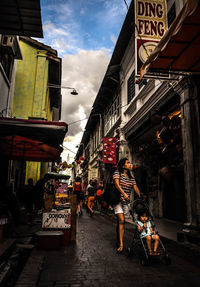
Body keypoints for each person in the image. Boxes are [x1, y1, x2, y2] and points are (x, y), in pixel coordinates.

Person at [113, 157, 141, 253]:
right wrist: (124, 193)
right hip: (117, 200)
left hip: (126, 201)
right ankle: (121, 244)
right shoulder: (117, 173)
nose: (130, 164)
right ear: (123, 165)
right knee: (121, 220)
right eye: (128, 163)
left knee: (121, 222)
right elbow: (117, 185)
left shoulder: (131, 176)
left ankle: (118, 238)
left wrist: (140, 195)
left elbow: (135, 186)